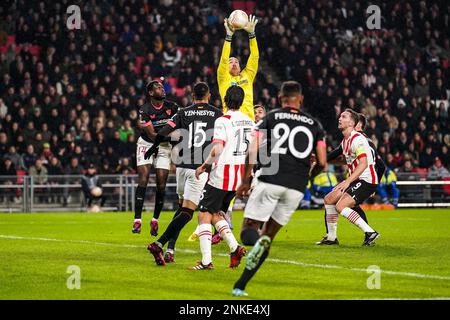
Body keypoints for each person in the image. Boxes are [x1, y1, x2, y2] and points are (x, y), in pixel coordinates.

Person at [232, 81, 327, 296]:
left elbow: (253, 147)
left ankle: (245, 274)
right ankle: (240, 285)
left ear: (279, 98)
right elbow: (322, 162)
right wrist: (309, 177)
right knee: (267, 237)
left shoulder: (270, 117)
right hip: (296, 188)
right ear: (300, 99)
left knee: (249, 230)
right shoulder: (315, 124)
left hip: (270, 179)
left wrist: (246, 179)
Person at [145, 82, 223, 265]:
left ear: (192, 96)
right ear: (209, 96)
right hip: (199, 168)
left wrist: (154, 146)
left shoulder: (183, 112)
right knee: (189, 212)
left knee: (182, 209)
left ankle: (170, 249)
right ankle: (160, 243)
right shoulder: (217, 114)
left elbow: (164, 131)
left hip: (181, 167)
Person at [190, 85, 252, 270]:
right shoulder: (250, 121)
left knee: (203, 215)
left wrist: (204, 166)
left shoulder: (223, 120)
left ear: (225, 100)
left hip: (222, 174)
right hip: (239, 176)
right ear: (242, 101)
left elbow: (217, 149)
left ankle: (206, 262)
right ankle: (235, 248)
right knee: (215, 213)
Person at [316, 112, 386, 244]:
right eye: (340, 116)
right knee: (329, 199)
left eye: (344, 117)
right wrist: (322, 161)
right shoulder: (346, 141)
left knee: (341, 206)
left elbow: (364, 163)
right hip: (356, 179)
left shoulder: (357, 139)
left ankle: (370, 232)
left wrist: (347, 181)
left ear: (352, 123)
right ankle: (331, 237)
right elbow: (344, 161)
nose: (340, 119)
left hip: (366, 180)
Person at [132, 80, 179, 235]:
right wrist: (173, 137)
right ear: (151, 93)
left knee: (161, 184)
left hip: (164, 147)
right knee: (143, 178)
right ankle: (137, 220)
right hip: (146, 144)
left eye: (162, 86)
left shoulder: (172, 107)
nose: (162, 89)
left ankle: (155, 220)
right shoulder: (144, 110)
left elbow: (181, 123)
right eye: (158, 88)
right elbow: (152, 135)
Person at [218, 15, 259, 120]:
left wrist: (252, 34)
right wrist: (228, 36)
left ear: (241, 67)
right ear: (225, 67)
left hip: (249, 122)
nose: (234, 63)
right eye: (230, 62)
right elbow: (223, 59)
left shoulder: (247, 75)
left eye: (237, 62)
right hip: (229, 122)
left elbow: (254, 56)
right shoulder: (223, 78)